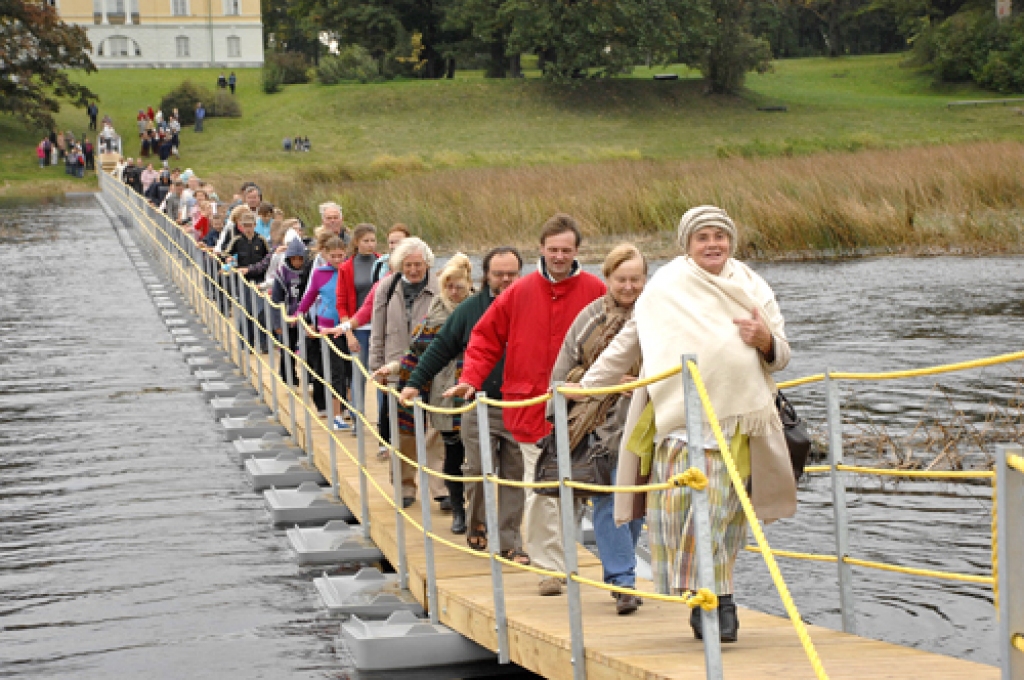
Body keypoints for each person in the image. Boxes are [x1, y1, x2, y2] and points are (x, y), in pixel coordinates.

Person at [576, 205, 796, 642]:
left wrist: (765, 340)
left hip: (742, 425)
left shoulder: (752, 285)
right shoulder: (664, 288)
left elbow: (784, 355)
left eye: (720, 235)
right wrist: (583, 388)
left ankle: (720, 597)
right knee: (692, 518)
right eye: (703, 237)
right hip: (682, 425)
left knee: (727, 519)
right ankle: (707, 598)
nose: (713, 243)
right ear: (687, 244)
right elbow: (626, 345)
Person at [447, 213, 606, 596]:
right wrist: (470, 378)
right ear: (540, 249)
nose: (559, 256)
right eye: (553, 249)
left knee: (575, 488)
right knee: (540, 490)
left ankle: (567, 556)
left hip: (585, 410)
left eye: (566, 250)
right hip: (529, 407)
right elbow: (484, 338)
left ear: (577, 251)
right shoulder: (517, 293)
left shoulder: (596, 290)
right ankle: (550, 568)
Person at [401, 247, 526, 560]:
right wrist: (415, 383)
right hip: (478, 402)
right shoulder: (470, 309)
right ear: (486, 276)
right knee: (478, 469)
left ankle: (510, 540)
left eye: (512, 273)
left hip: (521, 405)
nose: (506, 280)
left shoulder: (529, 306)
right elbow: (441, 347)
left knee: (514, 475)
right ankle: (477, 523)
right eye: (499, 274)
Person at [550, 244, 647, 616]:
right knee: (608, 497)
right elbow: (560, 374)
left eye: (635, 279)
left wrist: (639, 380)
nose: (628, 287)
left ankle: (623, 572)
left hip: (647, 419)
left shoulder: (659, 316)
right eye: (621, 279)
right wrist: (597, 383)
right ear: (607, 279)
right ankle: (623, 582)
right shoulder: (589, 318)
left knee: (637, 503)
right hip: (599, 424)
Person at [393, 254, 473, 534]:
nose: (453, 292)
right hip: (443, 393)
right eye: (448, 286)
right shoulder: (433, 317)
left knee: (477, 454)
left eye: (459, 287)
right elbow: (416, 354)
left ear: (469, 285)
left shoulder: (481, 311)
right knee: (452, 452)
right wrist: (399, 376)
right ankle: (458, 508)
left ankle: (478, 511)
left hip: (475, 390)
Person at [369, 237, 439, 506]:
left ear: (427, 263)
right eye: (408, 265)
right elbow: (377, 328)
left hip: (432, 367)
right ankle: (406, 487)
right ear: (399, 265)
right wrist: (377, 366)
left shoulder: (438, 287)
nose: (413, 270)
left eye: (418, 265)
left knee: (436, 429)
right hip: (396, 366)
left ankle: (439, 487)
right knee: (404, 433)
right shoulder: (387, 287)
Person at [296, 234, 352, 429]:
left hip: (348, 325)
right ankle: (335, 415)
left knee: (351, 370)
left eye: (341, 255)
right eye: (334, 256)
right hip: (328, 327)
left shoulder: (349, 270)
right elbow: (310, 295)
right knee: (336, 371)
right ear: (326, 255)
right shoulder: (320, 273)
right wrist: (299, 314)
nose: (338, 260)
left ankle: (348, 408)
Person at [330, 224, 380, 406]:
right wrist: (349, 334)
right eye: (366, 241)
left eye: (373, 240)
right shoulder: (346, 267)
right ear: (357, 242)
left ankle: (384, 422)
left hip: (381, 327)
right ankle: (356, 416)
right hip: (358, 328)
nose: (370, 244)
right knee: (358, 374)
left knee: (382, 376)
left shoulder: (383, 263)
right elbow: (341, 305)